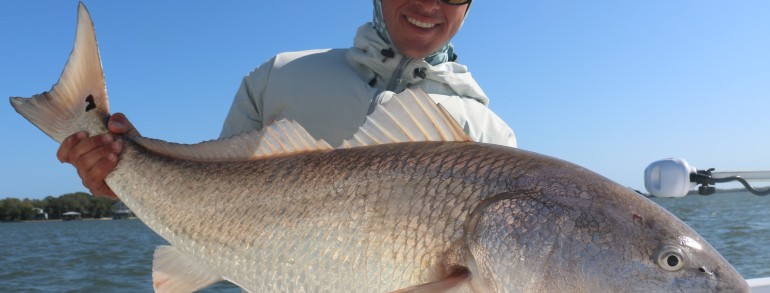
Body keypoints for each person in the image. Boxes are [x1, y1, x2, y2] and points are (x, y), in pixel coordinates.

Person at [57, 0, 517, 198]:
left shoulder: (492, 138)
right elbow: (204, 202)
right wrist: (121, 173)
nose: (428, 4)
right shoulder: (278, 76)